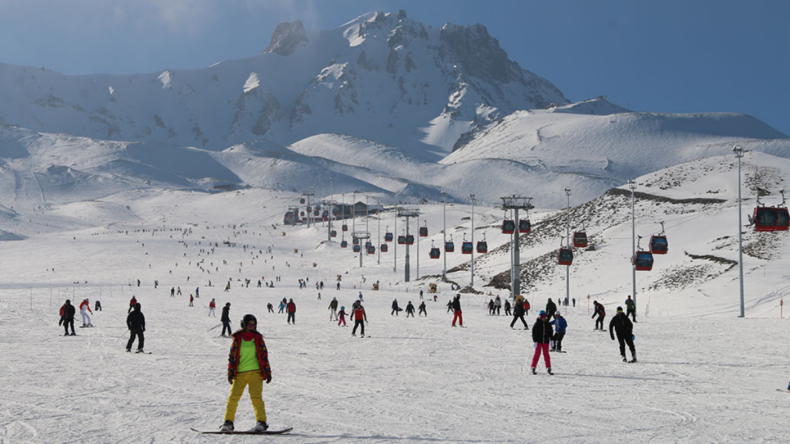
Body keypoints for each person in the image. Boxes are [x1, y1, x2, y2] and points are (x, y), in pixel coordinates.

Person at [220, 314, 271, 433]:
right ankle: (228, 422)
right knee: (233, 398)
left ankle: (261, 422)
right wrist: (230, 372)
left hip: (256, 373)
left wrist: (267, 372)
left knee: (256, 398)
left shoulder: (258, 338)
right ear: (244, 325)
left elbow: (264, 356)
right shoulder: (238, 339)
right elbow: (232, 357)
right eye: (250, 324)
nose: (252, 326)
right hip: (240, 374)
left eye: (254, 324)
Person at [531, 310, 553, 375]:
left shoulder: (548, 324)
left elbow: (550, 333)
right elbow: (534, 333)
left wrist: (552, 340)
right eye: (542, 316)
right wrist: (535, 341)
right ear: (539, 316)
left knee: (546, 354)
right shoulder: (537, 324)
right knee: (537, 354)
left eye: (545, 316)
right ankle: (533, 366)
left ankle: (548, 367)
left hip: (546, 341)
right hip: (539, 341)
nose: (544, 317)